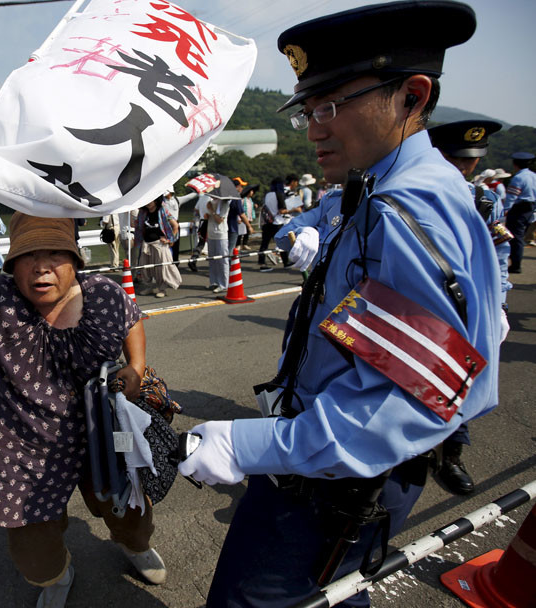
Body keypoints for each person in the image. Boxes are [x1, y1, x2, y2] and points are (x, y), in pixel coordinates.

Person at [178, 3, 501, 607]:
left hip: (336, 474)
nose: (314, 127)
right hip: (344, 460)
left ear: (412, 94)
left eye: (331, 106)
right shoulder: (392, 186)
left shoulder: (406, 208)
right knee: (334, 592)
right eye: (307, 109)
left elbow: (409, 400)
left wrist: (247, 446)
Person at [0, 168, 167, 608]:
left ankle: (134, 545)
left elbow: (132, 318)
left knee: (131, 513)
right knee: (34, 557)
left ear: (75, 258)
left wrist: (136, 366)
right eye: (29, 255)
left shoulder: (102, 293)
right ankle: (57, 577)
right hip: (22, 448)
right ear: (11, 263)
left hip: (103, 435)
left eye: (54, 253)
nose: (42, 265)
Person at [428, 119, 508, 495]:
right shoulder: (419, 192)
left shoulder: (485, 201)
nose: (463, 167)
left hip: (468, 304)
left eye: (469, 160)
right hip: (423, 302)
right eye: (453, 158)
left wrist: (499, 303)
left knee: (462, 375)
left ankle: (452, 455)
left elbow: (493, 257)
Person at [135, 195, 181, 298]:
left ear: (156, 200)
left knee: (161, 268)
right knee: (146, 268)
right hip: (146, 244)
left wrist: (170, 240)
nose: (148, 203)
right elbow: (139, 226)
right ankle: (150, 287)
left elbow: (175, 225)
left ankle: (162, 289)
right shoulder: (143, 212)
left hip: (159, 244)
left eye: (150, 200)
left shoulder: (162, 211)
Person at [258, 177, 302, 271]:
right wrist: (294, 209)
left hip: (267, 221)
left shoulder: (267, 194)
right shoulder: (279, 194)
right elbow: (282, 211)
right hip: (277, 221)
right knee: (282, 241)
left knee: (264, 243)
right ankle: (286, 262)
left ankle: (262, 263)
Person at [504, 152, 536, 273]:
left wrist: (505, 210)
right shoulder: (533, 176)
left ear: (515, 164)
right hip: (530, 207)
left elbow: (512, 197)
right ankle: (516, 262)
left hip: (519, 208)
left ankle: (515, 264)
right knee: (521, 235)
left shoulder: (518, 178)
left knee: (515, 237)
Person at [205, 175, 233, 292]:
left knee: (222, 260)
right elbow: (208, 217)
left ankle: (223, 284)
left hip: (221, 234)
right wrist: (207, 213)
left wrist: (211, 210)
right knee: (212, 259)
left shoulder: (225, 202)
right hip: (211, 233)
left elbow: (220, 219)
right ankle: (214, 281)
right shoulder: (211, 201)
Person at [162, 189, 182, 266]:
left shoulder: (177, 200)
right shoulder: (161, 201)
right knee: (166, 245)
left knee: (176, 245)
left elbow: (189, 197)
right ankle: (167, 263)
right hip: (165, 226)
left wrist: (198, 192)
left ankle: (175, 263)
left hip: (176, 224)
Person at [239, 184, 259, 250]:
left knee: (247, 232)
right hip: (243, 218)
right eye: (251, 191)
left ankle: (245, 244)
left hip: (249, 217)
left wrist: (254, 206)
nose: (252, 193)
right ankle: (238, 244)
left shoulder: (250, 200)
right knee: (241, 231)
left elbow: (250, 208)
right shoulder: (243, 199)